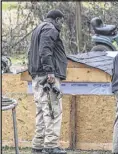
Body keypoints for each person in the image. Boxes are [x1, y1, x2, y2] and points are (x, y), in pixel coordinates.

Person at [28, 9, 67, 154]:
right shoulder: (50, 29)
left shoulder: (38, 29)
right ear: (56, 19)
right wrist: (50, 71)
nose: (62, 25)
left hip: (37, 76)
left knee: (41, 110)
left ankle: (38, 145)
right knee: (52, 110)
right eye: (61, 21)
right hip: (47, 76)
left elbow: (31, 52)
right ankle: (50, 146)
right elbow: (45, 50)